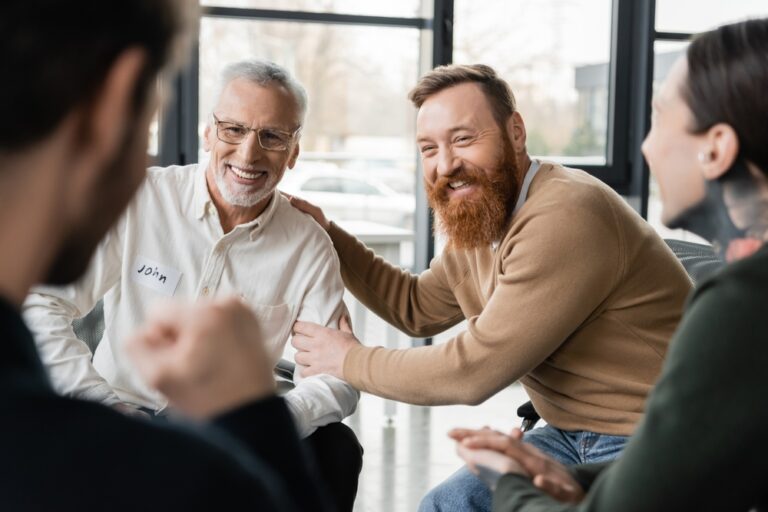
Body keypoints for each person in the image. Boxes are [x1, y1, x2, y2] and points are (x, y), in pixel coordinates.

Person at [286, 63, 693, 511]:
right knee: (445, 506)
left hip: (654, 437)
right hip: (567, 436)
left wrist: (347, 360)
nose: (446, 164)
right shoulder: (486, 217)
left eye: (463, 139)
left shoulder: (565, 215)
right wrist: (329, 235)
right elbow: (416, 306)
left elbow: (473, 371)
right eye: (428, 148)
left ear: (515, 132)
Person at [0, 0, 334, 510]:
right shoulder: (145, 199)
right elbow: (46, 305)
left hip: (222, 428)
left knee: (337, 448)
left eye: (271, 137)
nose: (248, 154)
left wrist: (260, 413)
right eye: (233, 130)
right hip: (120, 411)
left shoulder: (309, 242)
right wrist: (105, 405)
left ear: (294, 150)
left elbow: (336, 373)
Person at [452, 17, 768, 512]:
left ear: (717, 148)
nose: (645, 146)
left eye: (659, 119)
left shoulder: (743, 303)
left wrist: (508, 479)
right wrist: (577, 479)